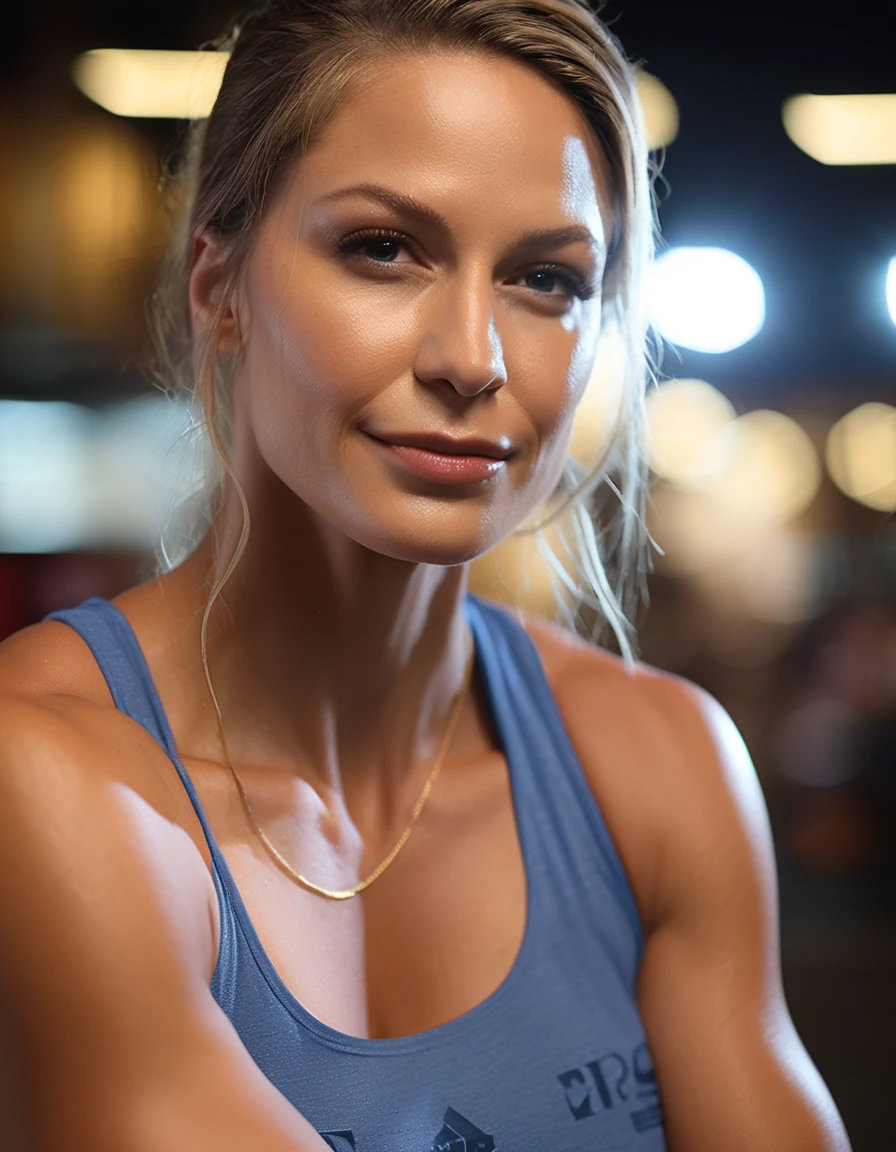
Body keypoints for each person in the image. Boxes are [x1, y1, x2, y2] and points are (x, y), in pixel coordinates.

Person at [0, 2, 851, 1150]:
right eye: (382, 249)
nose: (471, 358)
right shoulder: (45, 773)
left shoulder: (660, 765)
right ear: (220, 286)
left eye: (544, 279)